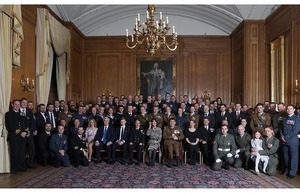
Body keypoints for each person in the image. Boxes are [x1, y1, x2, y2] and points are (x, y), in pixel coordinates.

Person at [5, 99, 28, 173]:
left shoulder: (22, 113)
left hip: (22, 135)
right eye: (16, 104)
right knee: (15, 152)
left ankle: (21, 166)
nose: (17, 106)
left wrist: (25, 132)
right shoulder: (9, 114)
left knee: (21, 152)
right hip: (14, 135)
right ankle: (14, 168)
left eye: (18, 104)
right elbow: (10, 125)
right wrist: (20, 132)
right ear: (12, 105)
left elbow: (25, 124)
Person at [280, 105, 300, 179]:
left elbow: (295, 131)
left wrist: (286, 137)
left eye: (291, 109)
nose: (289, 110)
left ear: (294, 110)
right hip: (284, 141)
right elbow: (281, 128)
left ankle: (292, 173)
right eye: (288, 109)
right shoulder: (284, 118)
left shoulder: (297, 118)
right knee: (286, 157)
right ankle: (287, 170)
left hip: (293, 141)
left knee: (293, 157)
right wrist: (282, 136)